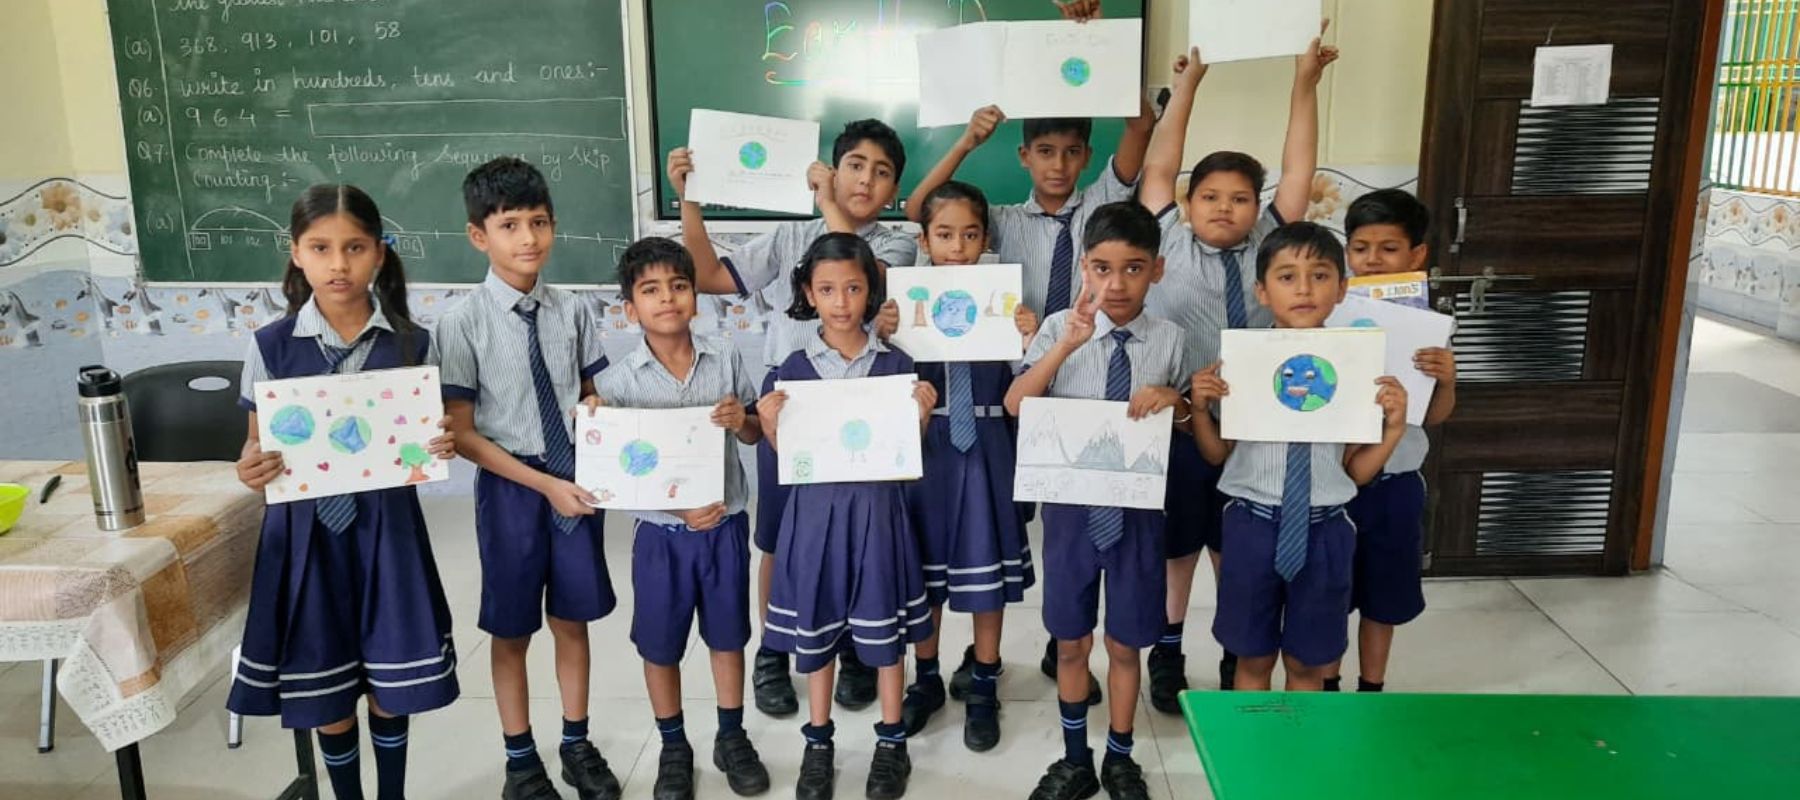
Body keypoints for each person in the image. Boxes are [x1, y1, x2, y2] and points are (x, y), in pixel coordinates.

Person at [668, 119, 916, 715]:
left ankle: (852, 645)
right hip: (792, 401)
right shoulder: (789, 237)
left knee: (859, 533)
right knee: (781, 535)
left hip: (864, 400)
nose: (866, 180)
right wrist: (689, 199)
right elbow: (709, 277)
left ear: (894, 189)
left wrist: (827, 204)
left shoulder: (898, 245)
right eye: (855, 165)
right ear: (833, 166)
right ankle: (775, 650)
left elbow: (864, 276)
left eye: (882, 172)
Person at [228, 184, 459, 800]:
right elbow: (255, 445)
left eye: (355, 247)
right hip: (304, 537)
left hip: (389, 530)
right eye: (320, 248)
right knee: (324, 682)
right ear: (296, 253)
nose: (338, 264)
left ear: (379, 253)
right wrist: (251, 466)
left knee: (391, 681)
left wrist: (438, 445)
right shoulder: (270, 345)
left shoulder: (412, 343)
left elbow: (423, 441)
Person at [1136, 26, 1338, 705]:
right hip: (1180, 422)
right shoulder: (1166, 237)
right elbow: (1160, 167)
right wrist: (1188, 85)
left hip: (1256, 427)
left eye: (1240, 198)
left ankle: (1237, 653)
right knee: (1177, 547)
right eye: (1210, 196)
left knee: (1237, 547)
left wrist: (1304, 82)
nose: (1224, 207)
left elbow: (1299, 169)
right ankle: (1167, 650)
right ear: (1188, 204)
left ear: (1257, 207)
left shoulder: (1270, 244)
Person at [437, 157, 620, 800]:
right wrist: (544, 486)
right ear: (478, 235)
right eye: (509, 224)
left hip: (575, 479)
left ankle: (576, 742)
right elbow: (463, 434)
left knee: (573, 619)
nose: (528, 238)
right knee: (511, 627)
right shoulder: (460, 322)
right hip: (513, 487)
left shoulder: (572, 311)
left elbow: (591, 390)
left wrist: (595, 408)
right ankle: (520, 761)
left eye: (539, 222)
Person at [1003, 201, 1191, 800]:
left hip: (1137, 515)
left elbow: (1187, 414)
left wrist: (1176, 401)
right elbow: (1016, 403)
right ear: (1085, 267)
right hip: (1070, 514)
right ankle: (1074, 758)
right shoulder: (1059, 327)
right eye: (1103, 268)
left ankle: (1121, 756)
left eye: (1133, 268)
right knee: (1072, 642)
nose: (1117, 284)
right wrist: (1065, 346)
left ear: (1156, 270)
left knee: (1126, 644)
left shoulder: (1171, 339)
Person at [1187, 221, 1408, 695]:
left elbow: (1355, 472)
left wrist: (1392, 430)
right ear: (1262, 291)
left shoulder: (1356, 367)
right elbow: (1216, 454)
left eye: (1320, 275)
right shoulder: (1242, 361)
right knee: (1252, 658)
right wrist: (1201, 410)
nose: (1304, 289)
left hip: (1326, 529)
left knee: (1308, 664)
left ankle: (1299, 741)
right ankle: (1252, 742)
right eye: (1287, 277)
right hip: (1252, 525)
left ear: (1342, 288)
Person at [588, 237, 772, 800]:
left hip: (724, 526)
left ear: (695, 295)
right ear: (630, 309)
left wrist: (743, 420)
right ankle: (673, 744)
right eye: (650, 290)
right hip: (661, 536)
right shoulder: (617, 385)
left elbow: (753, 434)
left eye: (679, 285)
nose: (667, 298)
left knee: (727, 636)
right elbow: (615, 475)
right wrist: (597, 426)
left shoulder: (725, 357)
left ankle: (731, 734)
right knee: (660, 644)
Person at [756, 233, 937, 800]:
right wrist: (769, 423)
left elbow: (906, 457)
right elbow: (789, 456)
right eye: (828, 289)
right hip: (815, 518)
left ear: (870, 292)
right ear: (809, 293)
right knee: (818, 628)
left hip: (879, 514)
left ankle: (891, 740)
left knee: (886, 630)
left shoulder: (896, 364)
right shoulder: (792, 368)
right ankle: (818, 742)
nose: (841, 302)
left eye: (854, 288)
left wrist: (921, 417)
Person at [891, 181, 1038, 752]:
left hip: (987, 441)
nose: (957, 247)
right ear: (925, 241)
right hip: (925, 446)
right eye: (945, 235)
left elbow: (1025, 382)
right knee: (924, 571)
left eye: (970, 235)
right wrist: (885, 332)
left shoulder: (1004, 302)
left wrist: (1028, 338)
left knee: (986, 570)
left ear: (986, 240)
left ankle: (983, 683)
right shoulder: (903, 304)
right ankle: (926, 678)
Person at [1322, 189, 1457, 693]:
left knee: (1384, 595)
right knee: (1330, 590)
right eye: (1360, 248)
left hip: (1396, 480)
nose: (1373, 260)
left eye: (1389, 248)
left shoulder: (1429, 328)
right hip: (1332, 482)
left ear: (1417, 255)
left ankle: (1371, 688)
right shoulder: (1328, 312)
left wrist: (1447, 381)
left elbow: (1434, 415)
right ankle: (1328, 685)